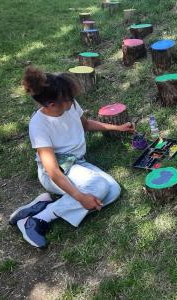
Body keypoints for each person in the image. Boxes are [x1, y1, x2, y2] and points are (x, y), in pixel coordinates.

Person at [9, 66, 134, 248]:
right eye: (68, 99)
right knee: (99, 187)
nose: (73, 102)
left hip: (77, 164)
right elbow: (52, 171)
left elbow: (86, 124)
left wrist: (117, 128)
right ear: (52, 104)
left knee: (113, 190)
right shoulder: (38, 125)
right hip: (55, 173)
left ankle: (45, 205)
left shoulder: (71, 105)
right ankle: (36, 220)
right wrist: (80, 197)